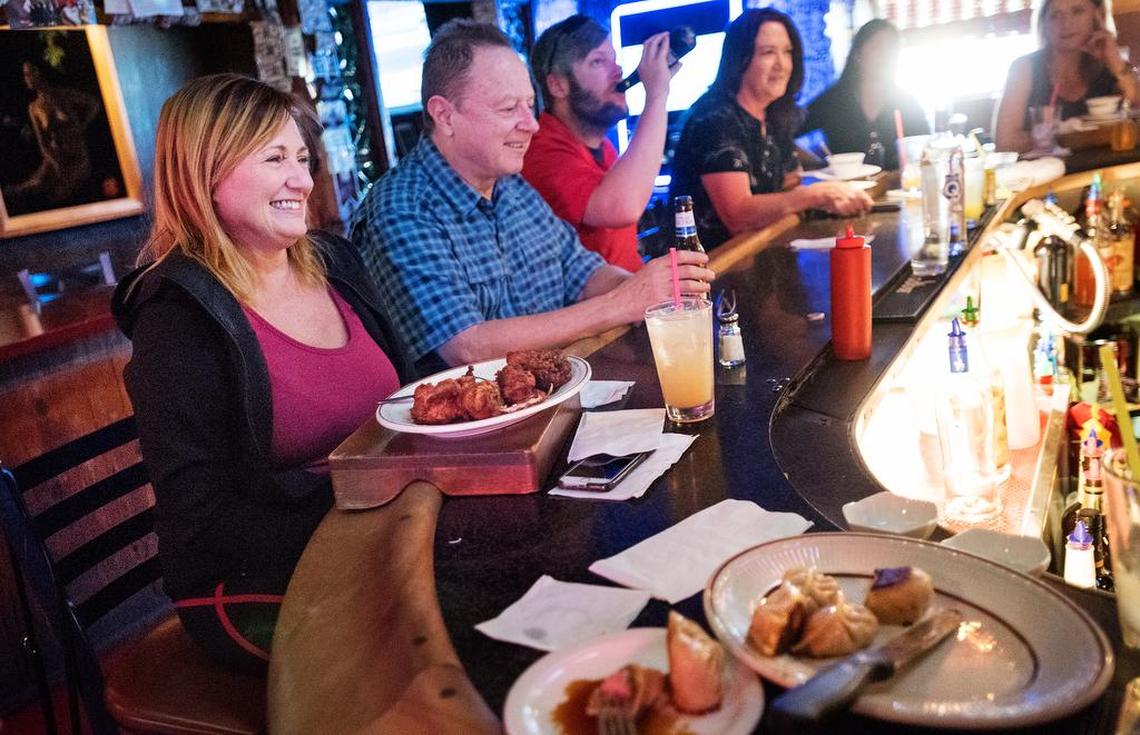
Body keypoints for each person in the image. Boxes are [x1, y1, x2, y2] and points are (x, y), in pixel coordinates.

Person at [111, 74, 411, 673]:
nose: (303, 180)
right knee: (417, 647)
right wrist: (365, 531)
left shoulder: (335, 263)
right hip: (246, 582)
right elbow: (203, 519)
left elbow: (407, 404)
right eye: (276, 159)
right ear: (205, 175)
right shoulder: (178, 318)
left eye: (302, 157)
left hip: (378, 532)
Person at [352, 20, 713, 374]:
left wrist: (656, 292)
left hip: (560, 396)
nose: (532, 124)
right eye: (509, 109)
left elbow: (582, 271)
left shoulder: (511, 186)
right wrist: (624, 303)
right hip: (482, 426)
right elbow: (466, 347)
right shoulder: (401, 208)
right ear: (444, 115)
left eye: (529, 105)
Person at [670, 9, 871, 249]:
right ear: (740, 59)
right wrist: (816, 195)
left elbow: (787, 186)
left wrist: (825, 196)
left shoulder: (773, 115)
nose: (782, 64)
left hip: (764, 252)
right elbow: (738, 215)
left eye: (787, 52)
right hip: (715, 271)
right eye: (768, 53)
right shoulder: (714, 119)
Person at [522, 15, 676, 272]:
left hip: (631, 300)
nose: (617, 71)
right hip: (599, 309)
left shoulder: (602, 147)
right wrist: (657, 95)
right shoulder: (541, 152)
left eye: (614, 60)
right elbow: (623, 207)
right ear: (558, 85)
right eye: (598, 61)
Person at [994, 0, 1140, 153]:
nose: (1066, 23)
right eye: (1055, 15)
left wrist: (1116, 64)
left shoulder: (1111, 63)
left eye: (1077, 11)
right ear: (1044, 23)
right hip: (1049, 172)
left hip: (1112, 169)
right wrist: (1062, 135)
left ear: (1098, 16)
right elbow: (1005, 142)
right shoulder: (1024, 68)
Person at [801, 19, 928, 170]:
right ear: (857, 54)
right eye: (877, 47)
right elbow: (783, 132)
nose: (886, 55)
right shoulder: (834, 100)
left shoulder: (907, 103)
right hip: (848, 192)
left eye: (892, 48)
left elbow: (927, 151)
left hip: (899, 190)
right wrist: (819, 165)